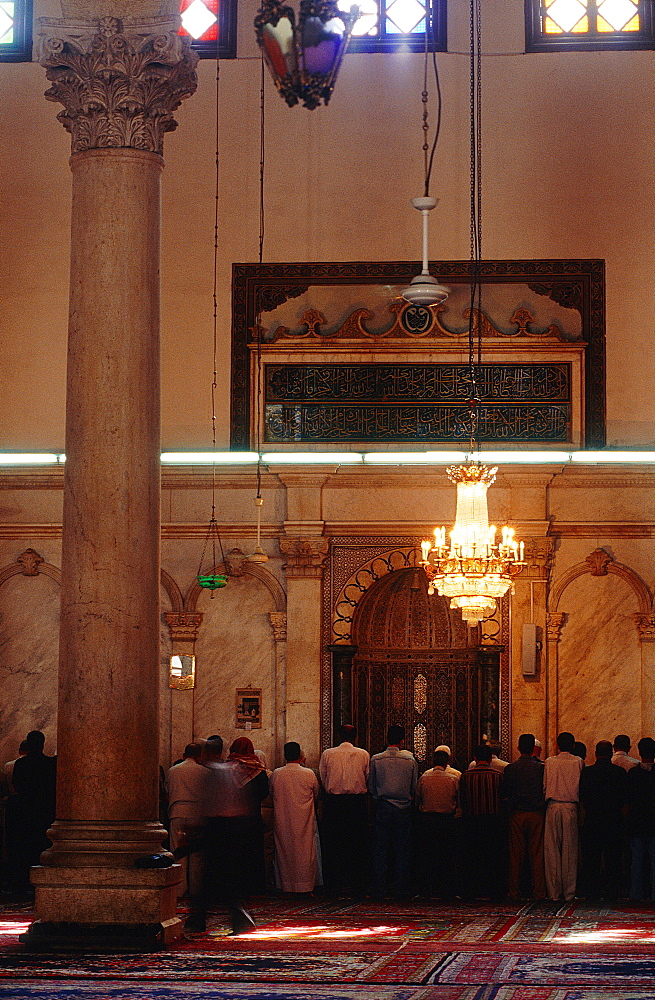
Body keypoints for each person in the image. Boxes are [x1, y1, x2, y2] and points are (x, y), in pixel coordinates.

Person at [186, 736, 268, 935]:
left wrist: (197, 830)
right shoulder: (232, 771)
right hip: (236, 828)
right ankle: (224, 918)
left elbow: (212, 805)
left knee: (215, 878)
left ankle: (210, 918)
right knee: (223, 878)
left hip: (220, 829)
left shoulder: (215, 773)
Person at [319, 723, 370, 895]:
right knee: (356, 844)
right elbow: (367, 777)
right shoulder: (363, 754)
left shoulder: (328, 754)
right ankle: (357, 884)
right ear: (355, 737)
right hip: (356, 805)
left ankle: (334, 883)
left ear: (339, 736)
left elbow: (324, 778)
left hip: (334, 804)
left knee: (334, 844)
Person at [368, 724, 418, 899]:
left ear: (386, 738)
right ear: (402, 740)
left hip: (383, 806)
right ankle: (401, 889)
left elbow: (372, 786)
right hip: (403, 808)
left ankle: (379, 890)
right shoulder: (409, 760)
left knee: (380, 849)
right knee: (402, 849)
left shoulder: (376, 759)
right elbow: (413, 787)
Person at [270, 742, 321, 894]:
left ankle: (285, 886)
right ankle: (306, 887)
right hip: (304, 820)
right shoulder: (309, 774)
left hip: (283, 819)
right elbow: (316, 794)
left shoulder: (276, 774)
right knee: (305, 853)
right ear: (300, 755)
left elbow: (272, 794)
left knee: (285, 852)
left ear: (285, 755)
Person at [579, 740, 627, 900]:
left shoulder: (587, 772)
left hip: (593, 818)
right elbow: (624, 798)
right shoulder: (619, 773)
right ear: (611, 753)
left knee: (592, 857)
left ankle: (592, 892)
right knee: (613, 857)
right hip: (613, 819)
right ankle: (613, 892)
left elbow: (583, 796)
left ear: (596, 753)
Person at [501, 733, 546, 901]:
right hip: (536, 814)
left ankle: (514, 891)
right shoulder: (541, 768)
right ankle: (539, 892)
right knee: (537, 855)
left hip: (517, 815)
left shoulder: (511, 768)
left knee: (515, 856)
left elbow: (504, 793)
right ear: (534, 749)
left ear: (518, 748)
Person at [11, 730, 56, 895]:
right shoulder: (50, 764)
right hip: (44, 810)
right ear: (43, 744)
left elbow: (17, 786)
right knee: (41, 845)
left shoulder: (21, 764)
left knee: (25, 847)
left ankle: (23, 883)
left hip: (25, 811)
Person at [460, 743, 505, 900]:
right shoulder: (498, 776)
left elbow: (463, 801)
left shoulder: (466, 776)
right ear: (491, 759)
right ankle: (493, 890)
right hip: (493, 822)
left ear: (475, 758)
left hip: (472, 822)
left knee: (474, 857)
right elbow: (503, 800)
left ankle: (474, 890)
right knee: (492, 857)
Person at [543, 731, 583, 902]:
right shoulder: (578, 762)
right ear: (573, 745)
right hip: (570, 807)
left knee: (552, 851)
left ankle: (553, 893)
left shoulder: (549, 762)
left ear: (557, 745)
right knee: (570, 851)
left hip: (552, 806)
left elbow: (545, 786)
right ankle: (569, 893)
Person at [415, 748, 459, 898]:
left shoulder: (424, 778)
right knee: (446, 856)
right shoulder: (453, 779)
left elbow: (418, 798)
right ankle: (447, 890)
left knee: (427, 856)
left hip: (427, 821)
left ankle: (427, 890)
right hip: (447, 821)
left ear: (433, 762)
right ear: (448, 763)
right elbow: (458, 801)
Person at [166, 742, 206, 898]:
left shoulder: (173, 771)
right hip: (198, 815)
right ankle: (196, 890)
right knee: (197, 855)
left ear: (184, 755)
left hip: (177, 813)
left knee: (179, 851)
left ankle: (179, 890)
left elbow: (168, 792)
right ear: (199, 757)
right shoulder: (204, 772)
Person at [626, 737, 655, 901]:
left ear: (639, 752)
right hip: (653, 822)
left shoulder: (633, 773)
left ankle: (635, 894)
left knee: (636, 861)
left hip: (637, 822)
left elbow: (628, 799)